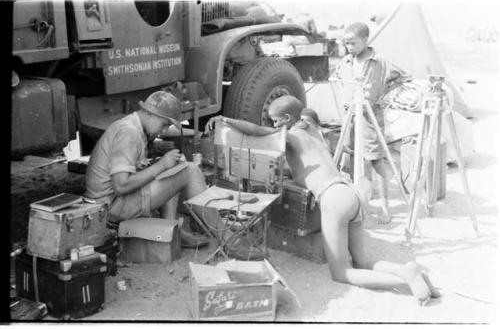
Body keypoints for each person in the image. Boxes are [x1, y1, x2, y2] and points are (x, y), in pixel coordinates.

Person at [205, 95, 438, 305]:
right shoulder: (312, 129)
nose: (273, 125)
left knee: (342, 273)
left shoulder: (291, 136)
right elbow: (303, 167)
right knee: (363, 262)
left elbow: (256, 131)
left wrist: (225, 120)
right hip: (350, 192)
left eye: (275, 120)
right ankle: (406, 270)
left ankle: (407, 279)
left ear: (286, 119)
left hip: (334, 199)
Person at [84, 91, 209, 248]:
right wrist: (161, 165)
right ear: (150, 114)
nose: (163, 131)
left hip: (107, 204)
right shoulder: (129, 132)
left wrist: (162, 166)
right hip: (108, 209)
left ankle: (172, 230)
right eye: (164, 124)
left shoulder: (133, 125)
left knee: (175, 169)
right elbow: (121, 186)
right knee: (189, 171)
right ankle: (225, 235)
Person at [334, 22, 412, 223]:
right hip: (350, 116)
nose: (349, 47)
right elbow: (338, 79)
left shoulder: (381, 62)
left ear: (365, 40)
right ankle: (357, 204)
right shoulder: (345, 61)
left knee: (376, 160)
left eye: (352, 43)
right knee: (352, 158)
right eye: (346, 43)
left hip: (370, 116)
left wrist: (382, 95)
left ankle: (386, 208)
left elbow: (405, 77)